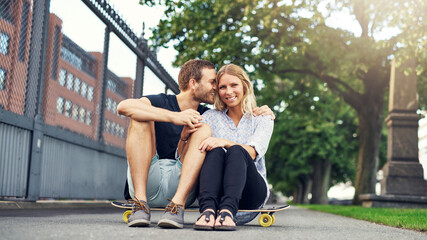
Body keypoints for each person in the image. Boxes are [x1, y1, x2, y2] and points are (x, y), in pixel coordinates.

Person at [117, 59, 274, 229]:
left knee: (218, 140)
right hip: (154, 176)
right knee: (140, 116)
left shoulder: (217, 116)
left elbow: (249, 148)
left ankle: (180, 206)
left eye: (227, 85)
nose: (219, 89)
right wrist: (177, 121)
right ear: (193, 83)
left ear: (245, 86)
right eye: (215, 84)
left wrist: (263, 113)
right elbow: (124, 106)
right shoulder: (176, 106)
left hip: (203, 186)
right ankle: (142, 205)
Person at [193, 64, 274, 231]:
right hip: (216, 193)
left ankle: (227, 212)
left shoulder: (262, 118)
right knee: (214, 150)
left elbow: (252, 152)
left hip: (251, 194)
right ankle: (207, 211)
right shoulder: (209, 117)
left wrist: (224, 142)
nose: (228, 92)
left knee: (237, 151)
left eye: (234, 85)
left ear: (244, 86)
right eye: (222, 87)